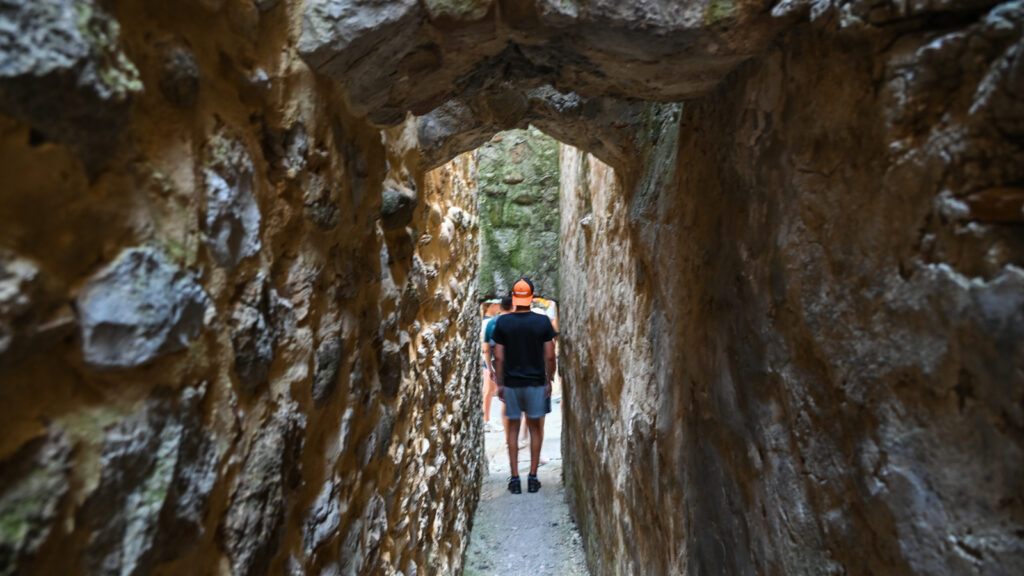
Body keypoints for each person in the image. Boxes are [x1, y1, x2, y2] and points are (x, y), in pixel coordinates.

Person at [492, 278, 556, 494]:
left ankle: (515, 479)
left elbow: (498, 357)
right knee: (536, 428)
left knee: (513, 429)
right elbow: (549, 356)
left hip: (511, 383)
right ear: (532, 296)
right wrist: (550, 379)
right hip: (536, 382)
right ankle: (533, 476)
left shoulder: (503, 323)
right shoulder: (543, 322)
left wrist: (500, 383)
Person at [481, 297, 512, 431]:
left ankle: (486, 418)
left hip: (491, 361)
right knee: (489, 390)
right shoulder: (489, 322)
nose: (499, 307)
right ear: (492, 305)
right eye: (497, 304)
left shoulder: (488, 322)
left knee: (492, 390)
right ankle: (486, 420)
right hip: (493, 362)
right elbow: (485, 348)